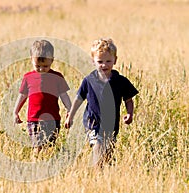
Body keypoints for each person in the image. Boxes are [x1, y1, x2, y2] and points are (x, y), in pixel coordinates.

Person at [64, 38, 139, 167]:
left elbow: (128, 99)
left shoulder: (120, 81)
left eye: (108, 61)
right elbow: (79, 98)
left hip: (111, 124)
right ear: (93, 61)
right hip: (92, 122)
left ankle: (104, 172)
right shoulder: (89, 80)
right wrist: (70, 116)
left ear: (115, 60)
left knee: (108, 151)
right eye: (100, 62)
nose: (104, 65)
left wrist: (130, 113)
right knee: (98, 145)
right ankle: (95, 170)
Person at [13, 40, 71, 155]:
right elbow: (22, 96)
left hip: (53, 119)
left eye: (45, 66)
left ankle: (46, 166)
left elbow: (64, 95)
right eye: (37, 66)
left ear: (52, 61)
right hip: (34, 120)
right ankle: (36, 166)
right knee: (37, 146)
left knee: (49, 147)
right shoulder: (28, 78)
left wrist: (70, 110)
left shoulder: (57, 77)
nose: (41, 69)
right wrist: (15, 112)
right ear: (31, 60)